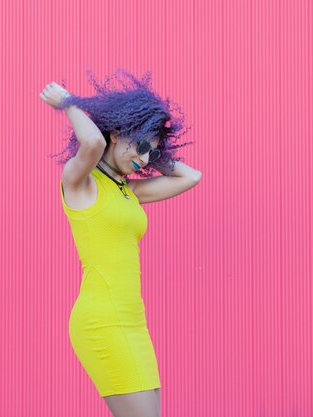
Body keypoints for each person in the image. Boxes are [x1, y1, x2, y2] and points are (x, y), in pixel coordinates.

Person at [40, 69, 201, 417]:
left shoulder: (128, 191)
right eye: (140, 147)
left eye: (151, 154)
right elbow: (93, 144)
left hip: (133, 322)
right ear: (116, 133)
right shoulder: (81, 183)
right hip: (103, 321)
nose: (144, 160)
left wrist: (153, 150)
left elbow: (191, 177)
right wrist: (68, 103)